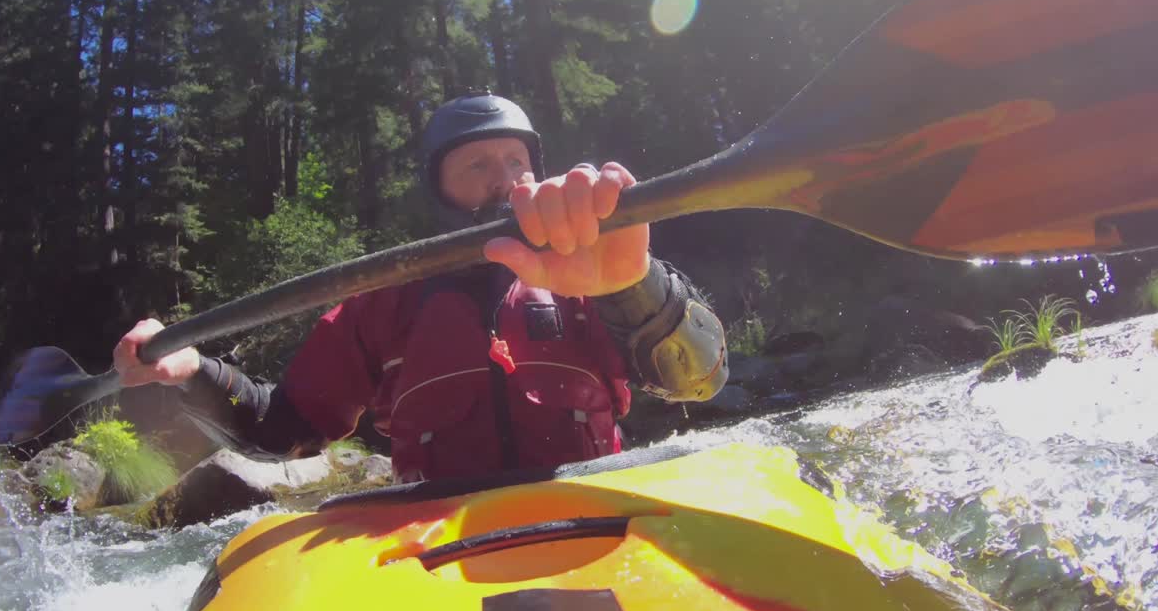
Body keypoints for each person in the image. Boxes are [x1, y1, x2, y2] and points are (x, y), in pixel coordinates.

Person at [113, 92, 728, 483]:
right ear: (441, 192)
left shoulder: (595, 271)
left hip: (597, 516)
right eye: (479, 166)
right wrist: (192, 369)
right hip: (436, 542)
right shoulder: (385, 298)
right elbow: (285, 430)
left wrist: (632, 282)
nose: (506, 181)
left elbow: (700, 380)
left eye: (517, 161)